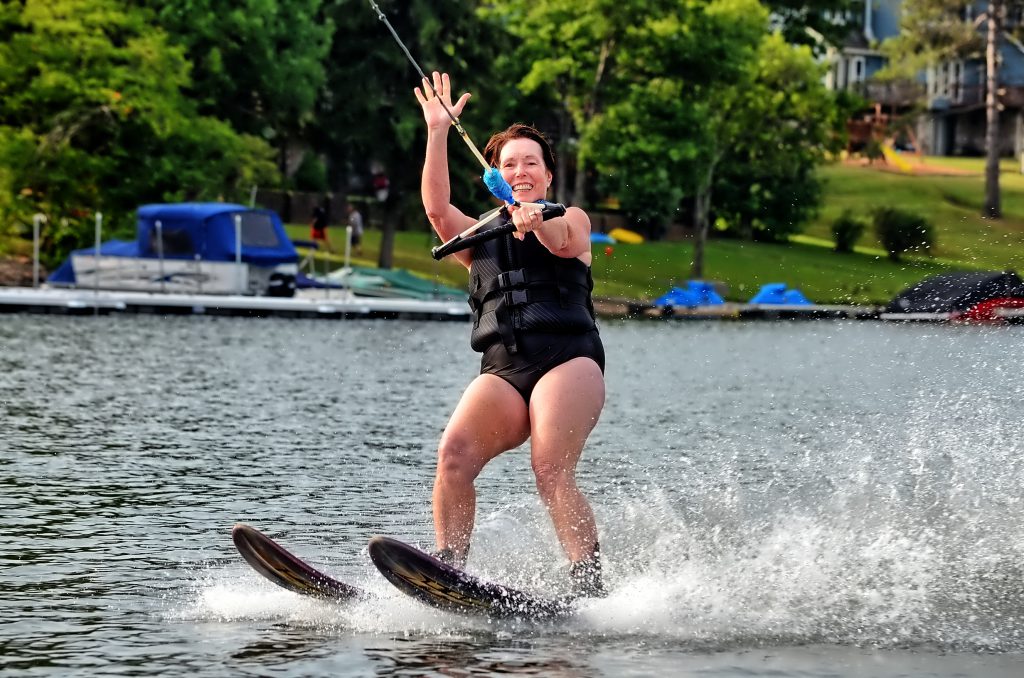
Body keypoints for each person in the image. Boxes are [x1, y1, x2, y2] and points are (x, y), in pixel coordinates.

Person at [415, 71, 607, 597]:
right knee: (453, 454)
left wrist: (536, 221)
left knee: (549, 466)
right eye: (508, 164)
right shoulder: (477, 236)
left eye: (530, 163)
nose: (520, 170)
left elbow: (565, 242)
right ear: (495, 175)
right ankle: (449, 568)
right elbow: (435, 208)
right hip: (504, 368)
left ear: (546, 174)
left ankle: (588, 584)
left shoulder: (571, 217)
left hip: (569, 361)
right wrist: (438, 129)